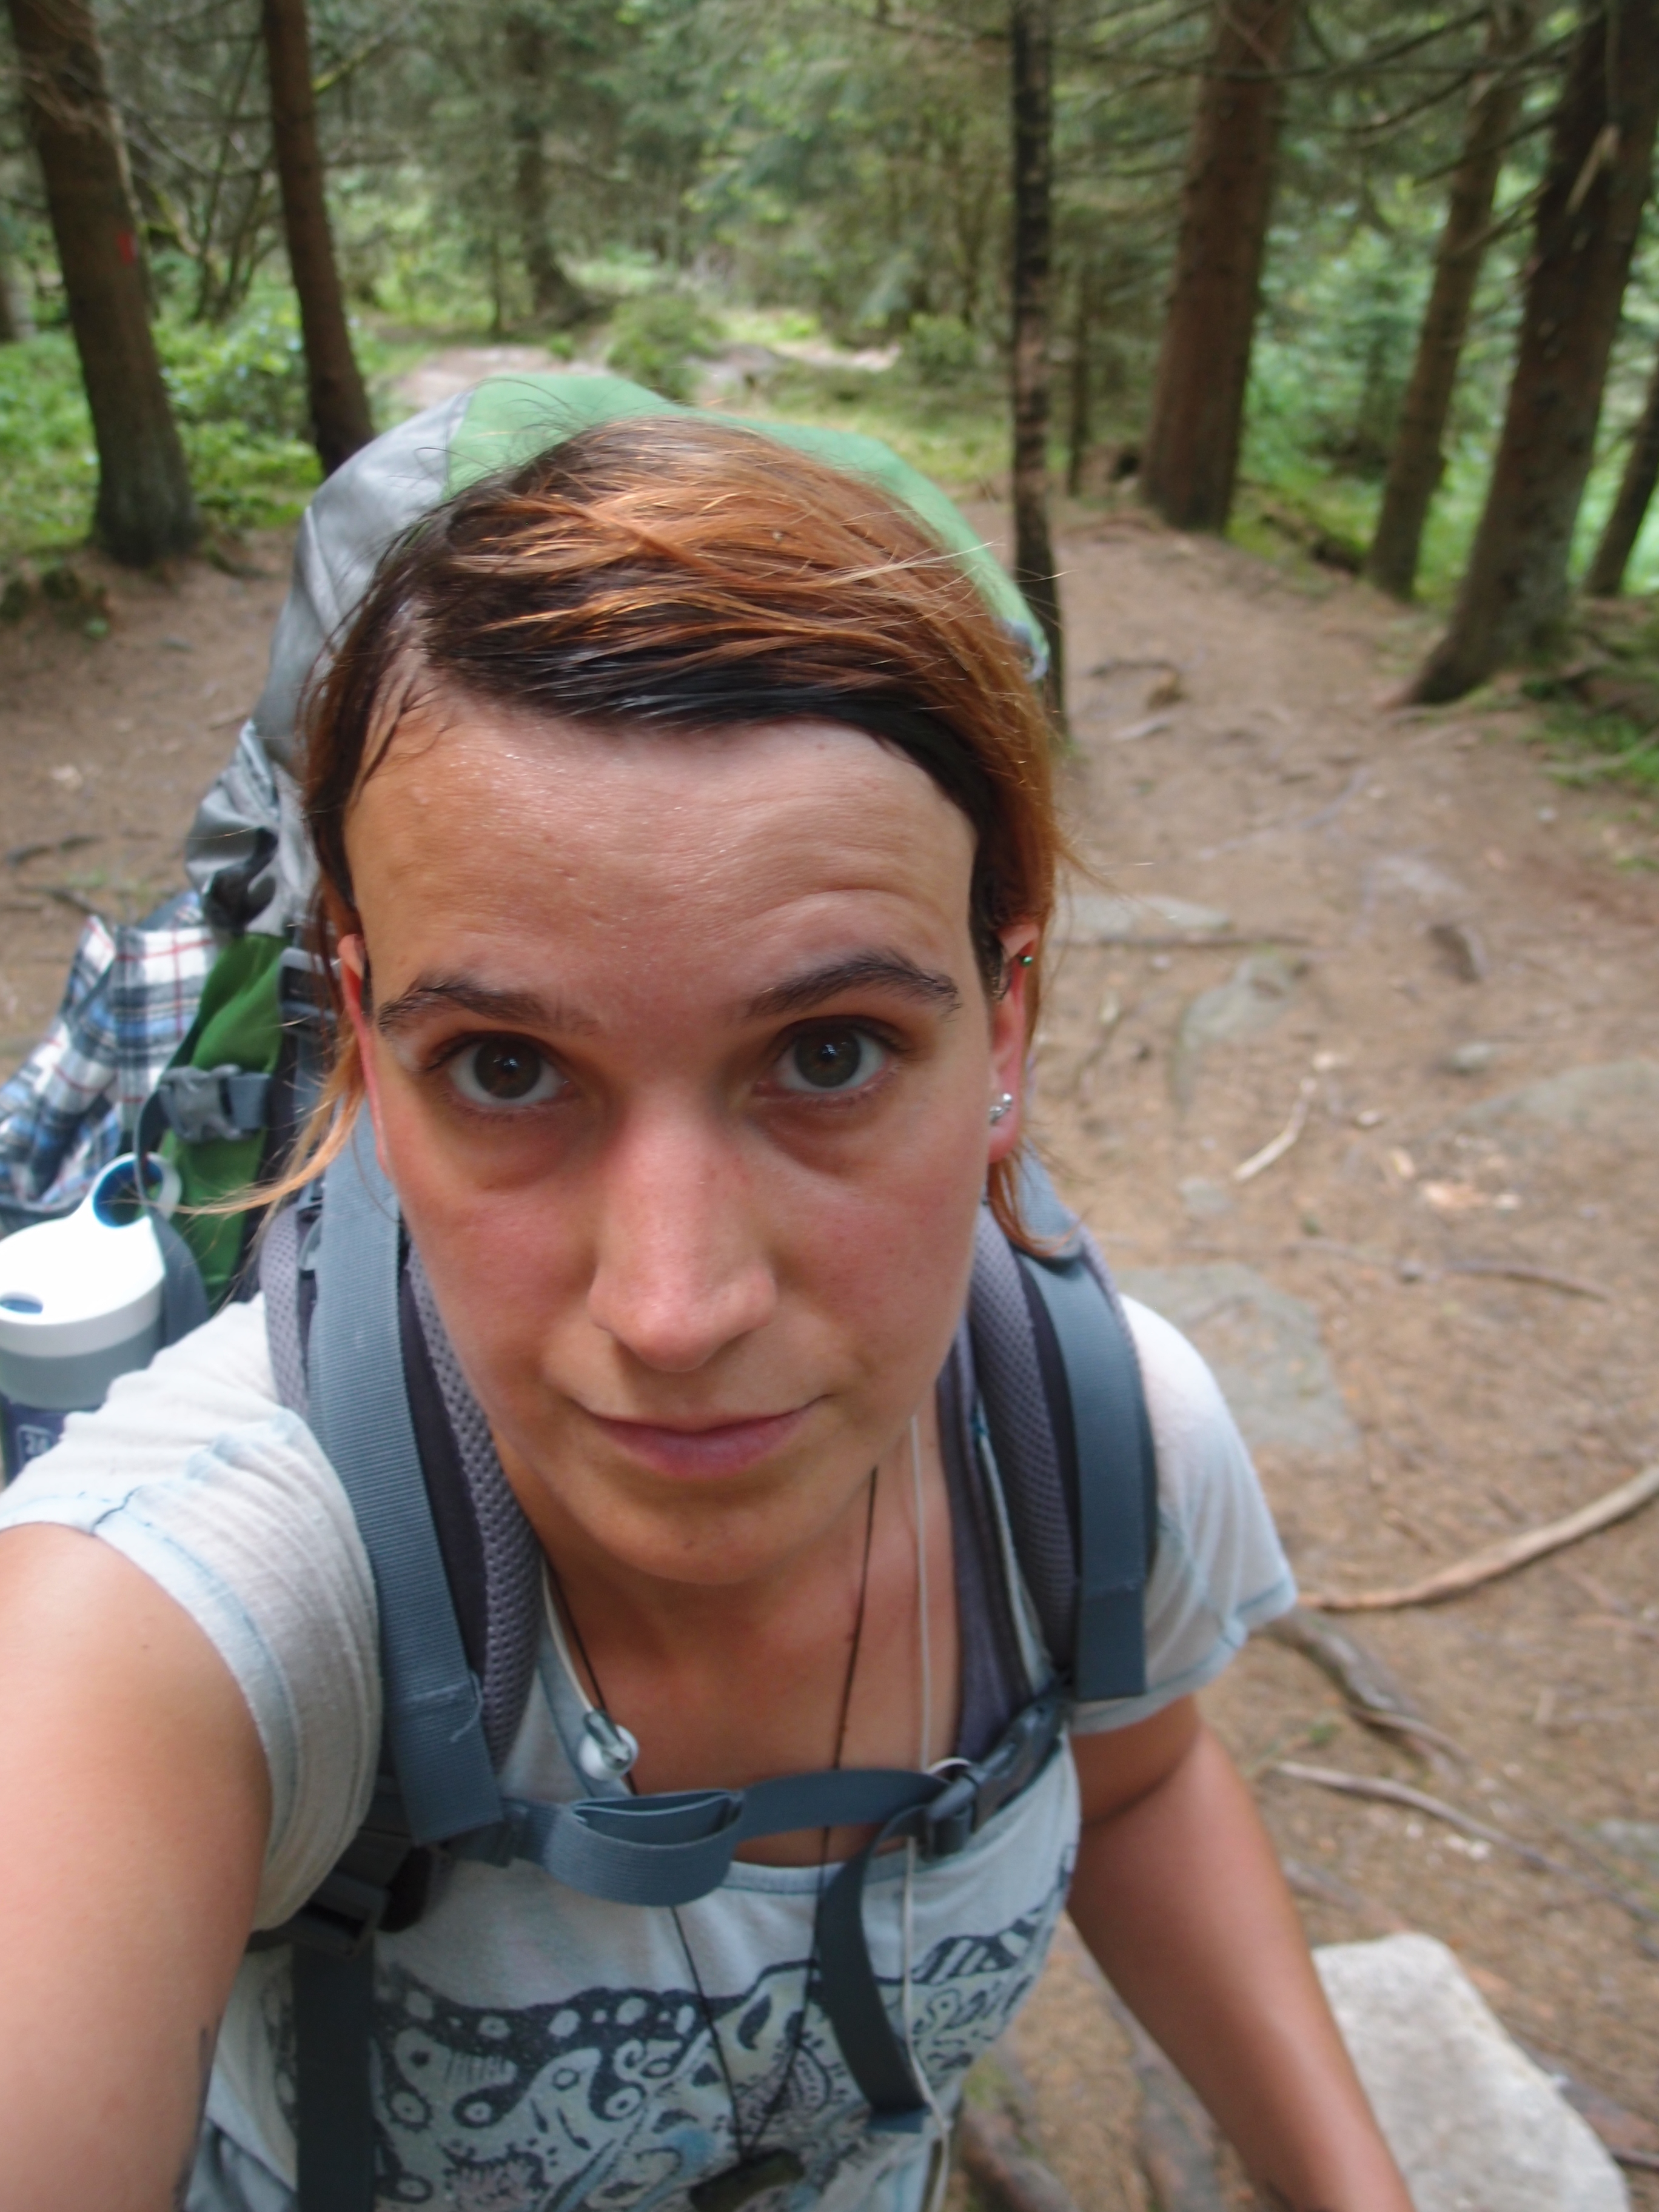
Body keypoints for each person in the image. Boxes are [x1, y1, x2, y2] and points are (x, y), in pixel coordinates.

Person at [0, 414, 1412, 2212]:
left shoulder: (1097, 1442)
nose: (673, 1313)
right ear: (364, 1049)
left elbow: (1134, 1788)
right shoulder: (180, 1619)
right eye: (504, 1067)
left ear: (1008, 1024)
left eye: (828, 1053)